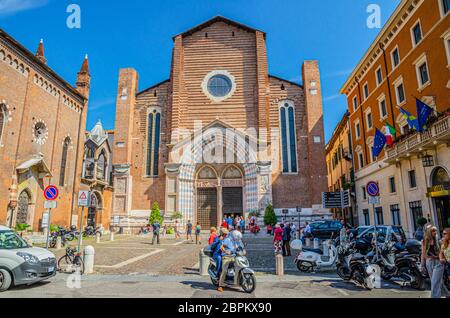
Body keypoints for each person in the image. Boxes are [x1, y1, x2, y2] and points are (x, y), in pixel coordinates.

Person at [420, 226, 450, 298]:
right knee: (438, 282)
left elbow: (442, 252)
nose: (435, 232)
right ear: (429, 232)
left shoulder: (439, 241)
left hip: (438, 263)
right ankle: (448, 294)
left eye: (436, 231)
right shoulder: (424, 241)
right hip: (429, 263)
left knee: (435, 282)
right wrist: (422, 265)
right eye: (433, 231)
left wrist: (439, 258)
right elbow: (423, 253)